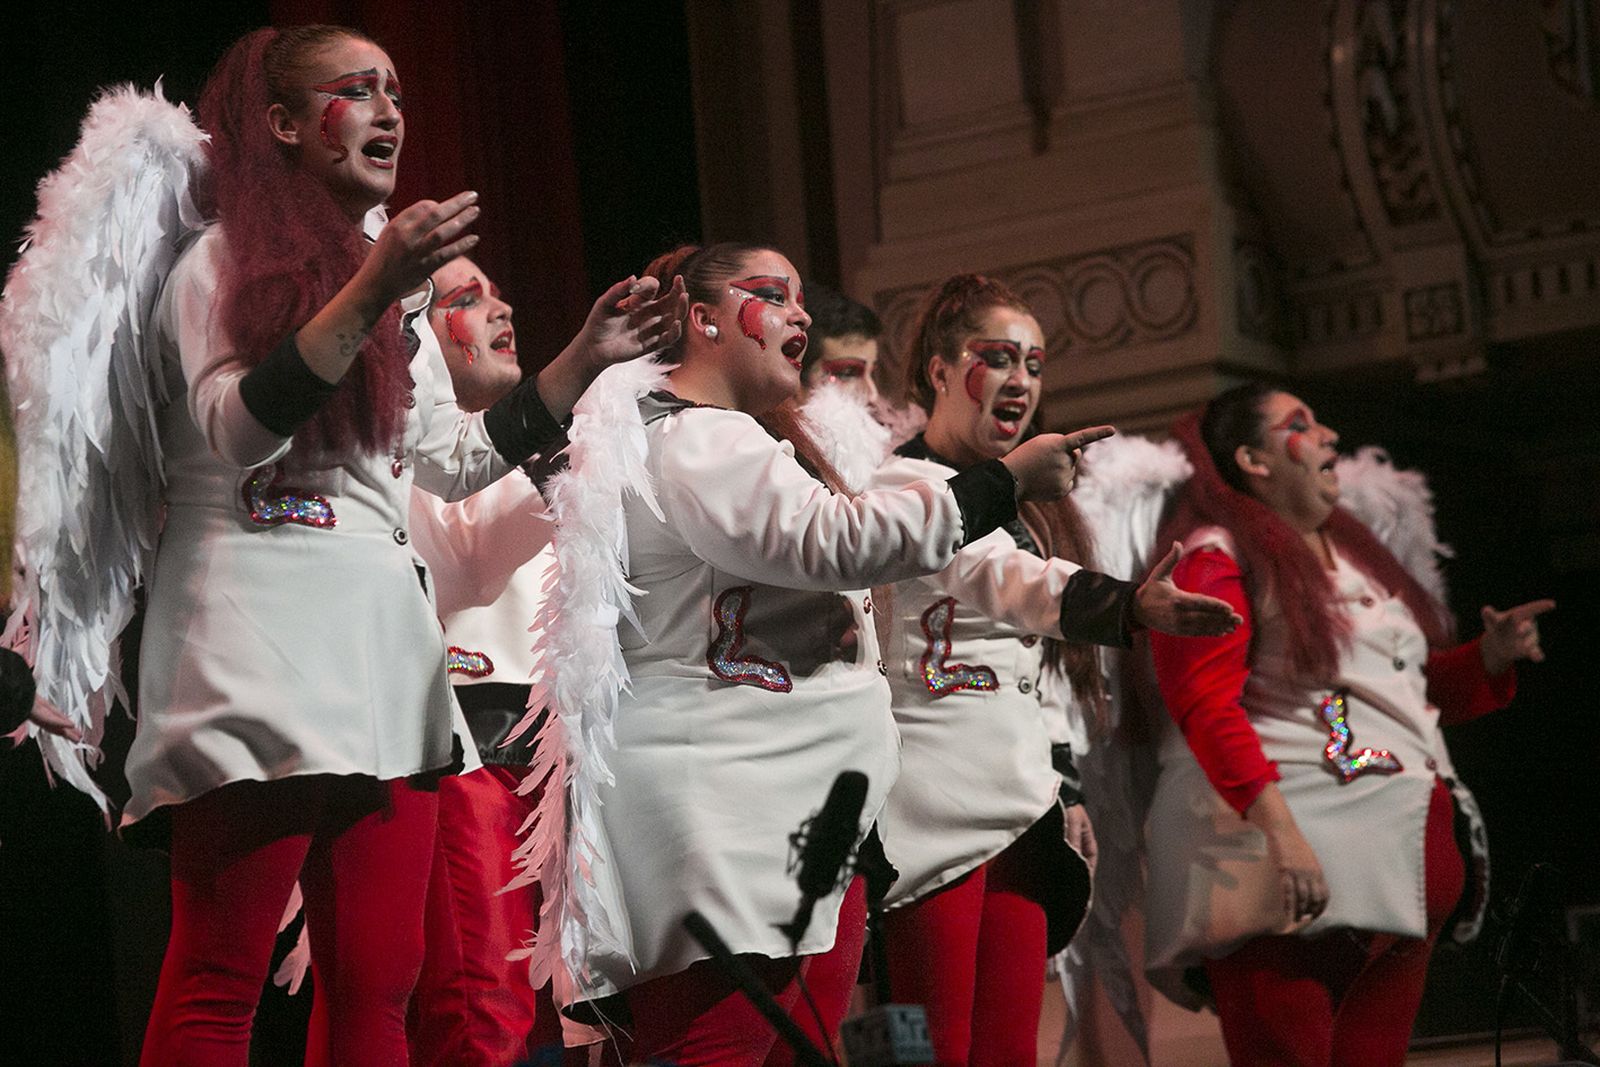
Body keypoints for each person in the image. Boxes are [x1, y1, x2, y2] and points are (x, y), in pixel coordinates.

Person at [124, 26, 680, 1066]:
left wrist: (579, 361)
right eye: (355, 91)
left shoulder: (392, 293)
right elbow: (241, 431)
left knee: (382, 986)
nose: (388, 111)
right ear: (283, 124)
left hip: (384, 651)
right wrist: (375, 286)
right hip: (252, 636)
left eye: (395, 92)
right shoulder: (216, 261)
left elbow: (456, 461)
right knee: (219, 975)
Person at [529, 242, 1107, 1065]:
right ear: (702, 320)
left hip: (789, 818)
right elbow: (842, 543)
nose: (800, 313)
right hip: (733, 820)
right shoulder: (699, 442)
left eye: (802, 297)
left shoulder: (719, 441)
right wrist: (1002, 483)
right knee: (722, 1052)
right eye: (773, 295)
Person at [868, 273, 1240, 1065]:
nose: (1022, 382)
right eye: (996, 357)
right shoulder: (906, 488)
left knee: (1009, 1049)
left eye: (1035, 364)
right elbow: (1012, 585)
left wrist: (1065, 786)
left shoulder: (1029, 510)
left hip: (1018, 810)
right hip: (929, 815)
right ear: (938, 371)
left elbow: (1042, 677)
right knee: (938, 1047)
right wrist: (1131, 606)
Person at [1144, 383, 1552, 1067]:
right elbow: (1204, 703)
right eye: (1299, 425)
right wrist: (1280, 834)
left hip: (1401, 877)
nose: (1330, 435)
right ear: (1252, 459)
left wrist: (1486, 658)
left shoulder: (1352, 558)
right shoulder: (1215, 554)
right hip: (1296, 878)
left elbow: (1398, 699)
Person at [403, 254, 578, 1065]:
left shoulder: (558, 445)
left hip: (559, 758)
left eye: (498, 290)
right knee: (482, 1011)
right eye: (467, 299)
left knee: (570, 1017)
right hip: (464, 755)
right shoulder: (392, 455)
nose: (501, 307)